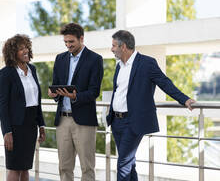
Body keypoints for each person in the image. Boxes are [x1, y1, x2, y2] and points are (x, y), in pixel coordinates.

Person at [106, 30, 196, 181]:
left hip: (133, 121)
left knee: (123, 164)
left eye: (114, 45)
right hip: (117, 121)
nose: (112, 49)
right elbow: (118, 91)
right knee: (129, 162)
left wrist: (184, 99)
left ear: (124, 46)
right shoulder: (119, 66)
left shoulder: (147, 63)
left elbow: (164, 82)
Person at [48, 23, 104, 181]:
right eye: (65, 42)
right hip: (63, 120)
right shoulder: (60, 58)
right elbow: (56, 84)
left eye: (71, 42)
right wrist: (54, 94)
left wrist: (75, 97)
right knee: (64, 167)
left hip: (84, 121)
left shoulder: (95, 59)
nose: (68, 45)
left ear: (81, 38)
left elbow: (94, 92)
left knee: (87, 167)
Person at [0, 34, 46, 181]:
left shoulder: (32, 69)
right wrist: (7, 132)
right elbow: (3, 105)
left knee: (25, 167)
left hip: (31, 125)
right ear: (13, 53)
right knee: (14, 168)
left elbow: (36, 101)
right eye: (21, 49)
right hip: (15, 127)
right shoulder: (6, 73)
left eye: (26, 47)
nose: (25, 51)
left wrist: (41, 125)